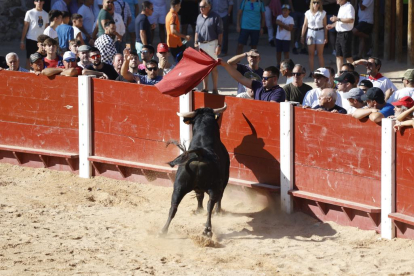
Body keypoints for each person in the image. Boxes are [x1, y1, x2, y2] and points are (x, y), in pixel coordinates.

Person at [195, 0, 223, 94]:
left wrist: (219, 45)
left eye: (203, 7)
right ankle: (205, 88)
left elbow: (220, 32)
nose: (201, 9)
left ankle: (215, 89)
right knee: (204, 68)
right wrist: (196, 43)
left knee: (213, 67)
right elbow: (196, 31)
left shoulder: (216, 17)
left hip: (212, 43)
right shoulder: (199, 17)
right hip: (201, 44)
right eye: (200, 7)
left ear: (209, 7)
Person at [221, 61, 286, 102]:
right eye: (262, 77)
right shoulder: (258, 85)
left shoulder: (278, 92)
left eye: (266, 78)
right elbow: (240, 78)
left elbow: (269, 108)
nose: (262, 80)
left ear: (274, 79)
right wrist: (225, 65)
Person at [326, 0, 355, 74]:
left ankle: (352, 73)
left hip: (346, 34)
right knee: (338, 55)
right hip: (339, 34)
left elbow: (351, 19)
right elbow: (340, 21)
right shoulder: (341, 7)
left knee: (347, 56)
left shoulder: (349, 7)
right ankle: (339, 73)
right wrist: (332, 25)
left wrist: (337, 19)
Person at [20, 0, 49, 69]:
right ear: (34, 2)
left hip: (42, 41)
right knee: (29, 60)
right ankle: (27, 74)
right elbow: (25, 27)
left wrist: (47, 41)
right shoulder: (30, 12)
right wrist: (22, 41)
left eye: (41, 0)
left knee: (42, 60)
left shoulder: (46, 14)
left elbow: (46, 28)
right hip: (31, 39)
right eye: (37, 0)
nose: (39, 2)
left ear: (43, 2)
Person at [301, 0, 327, 75]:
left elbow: (325, 26)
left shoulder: (323, 13)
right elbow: (305, 25)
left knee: (320, 54)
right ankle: (311, 72)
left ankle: (322, 72)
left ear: (320, 4)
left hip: (320, 33)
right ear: (311, 3)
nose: (316, 4)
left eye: (318, 2)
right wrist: (302, 36)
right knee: (311, 54)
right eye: (314, 2)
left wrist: (326, 36)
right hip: (310, 33)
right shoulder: (307, 13)